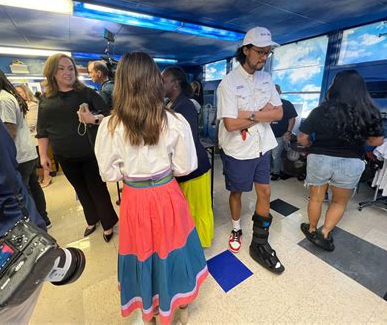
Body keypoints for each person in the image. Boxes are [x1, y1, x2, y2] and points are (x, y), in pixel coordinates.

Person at [0, 67, 85, 323]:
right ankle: (40, 240)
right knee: (31, 190)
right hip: (3, 227)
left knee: (30, 188)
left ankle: (39, 239)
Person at [94, 52, 207, 324]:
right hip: (167, 192)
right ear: (155, 82)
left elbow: (108, 173)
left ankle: (152, 309)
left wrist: (131, 171)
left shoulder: (109, 126)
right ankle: (180, 306)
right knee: (174, 248)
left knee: (143, 252)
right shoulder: (174, 121)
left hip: (134, 196)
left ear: (121, 83)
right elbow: (185, 166)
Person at [217, 27, 285, 274]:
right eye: (259, 52)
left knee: (265, 191)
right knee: (237, 192)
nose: (263, 58)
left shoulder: (267, 79)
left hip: (262, 146)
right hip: (238, 149)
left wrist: (250, 114)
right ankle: (236, 228)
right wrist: (263, 114)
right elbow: (231, 123)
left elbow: (278, 113)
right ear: (246, 50)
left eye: (267, 53)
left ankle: (260, 240)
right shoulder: (229, 83)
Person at [298, 70, 384, 251]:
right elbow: (377, 141)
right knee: (339, 202)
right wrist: (360, 140)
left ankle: (312, 229)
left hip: (319, 158)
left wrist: (313, 144)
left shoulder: (321, 109)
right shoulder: (370, 112)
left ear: (335, 87)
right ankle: (325, 233)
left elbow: (302, 138)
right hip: (350, 162)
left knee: (316, 198)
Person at [37, 53, 118, 242]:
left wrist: (93, 118)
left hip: (89, 152)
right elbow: (42, 131)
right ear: (52, 73)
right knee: (80, 190)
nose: (67, 72)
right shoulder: (45, 99)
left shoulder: (87, 93)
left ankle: (108, 223)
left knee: (97, 189)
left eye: (71, 68)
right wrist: (43, 155)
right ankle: (92, 219)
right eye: (61, 68)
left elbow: (109, 115)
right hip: (64, 155)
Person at [0, 62, 51, 227]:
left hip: (18, 155)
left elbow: (8, 132)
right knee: (33, 188)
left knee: (25, 192)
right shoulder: (5, 96)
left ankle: (37, 223)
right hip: (25, 152)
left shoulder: (1, 100)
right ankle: (43, 219)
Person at [162, 66, 214, 248]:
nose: (160, 84)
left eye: (164, 80)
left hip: (195, 167)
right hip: (186, 167)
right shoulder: (172, 104)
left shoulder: (184, 106)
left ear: (175, 84)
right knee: (189, 209)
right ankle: (194, 242)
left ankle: (202, 243)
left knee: (198, 210)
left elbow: (186, 141)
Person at [15, 84, 52, 188]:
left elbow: (31, 124)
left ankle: (47, 177)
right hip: (28, 138)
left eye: (20, 93)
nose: (18, 95)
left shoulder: (32, 105)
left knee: (42, 159)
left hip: (35, 137)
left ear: (26, 93)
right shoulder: (20, 106)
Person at [270, 84, 298, 180]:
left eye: (276, 90)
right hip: (266, 136)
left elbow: (292, 118)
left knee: (275, 155)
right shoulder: (265, 104)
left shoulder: (286, 104)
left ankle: (276, 173)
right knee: (265, 156)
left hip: (279, 135)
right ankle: (267, 171)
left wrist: (289, 132)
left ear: (280, 92)